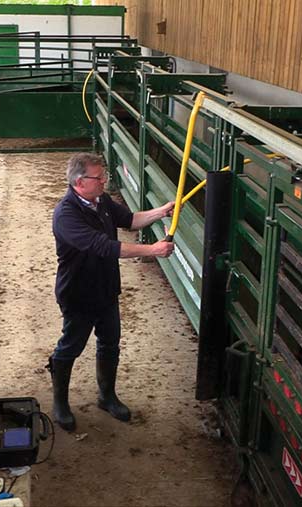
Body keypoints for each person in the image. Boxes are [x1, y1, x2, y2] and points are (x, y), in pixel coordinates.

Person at [48, 153, 175, 431]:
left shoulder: (100, 201)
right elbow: (105, 246)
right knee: (71, 345)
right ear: (80, 182)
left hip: (106, 289)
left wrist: (161, 211)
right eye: (99, 177)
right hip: (79, 293)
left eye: (104, 175)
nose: (104, 180)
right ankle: (60, 403)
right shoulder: (66, 214)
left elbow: (129, 220)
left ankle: (107, 396)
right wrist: (152, 250)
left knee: (109, 343)